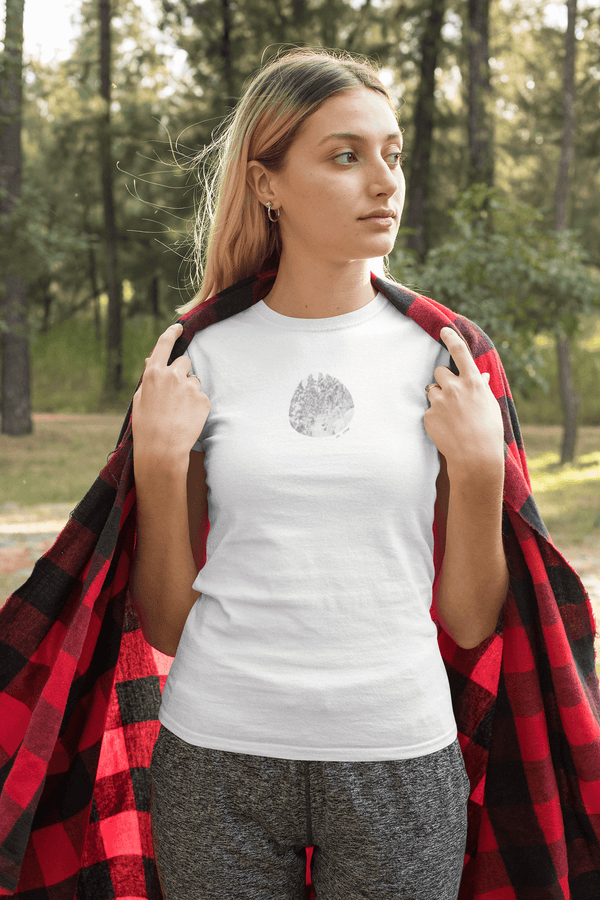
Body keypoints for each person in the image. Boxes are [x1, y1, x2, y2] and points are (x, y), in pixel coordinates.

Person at [129, 47, 510, 900]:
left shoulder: (448, 356)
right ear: (267, 183)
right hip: (217, 754)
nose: (384, 182)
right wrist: (158, 466)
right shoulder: (200, 356)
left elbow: (472, 619)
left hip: (400, 752)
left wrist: (480, 466)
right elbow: (163, 623)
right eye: (346, 156)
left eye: (393, 153)